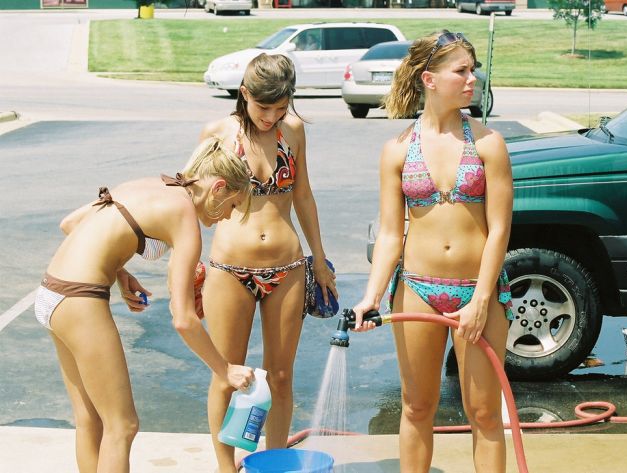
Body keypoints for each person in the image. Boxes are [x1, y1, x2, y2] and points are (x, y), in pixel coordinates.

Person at [34, 137, 256, 473]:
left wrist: (120, 274)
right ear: (219, 188)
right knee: (122, 426)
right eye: (234, 205)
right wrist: (224, 370)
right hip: (79, 300)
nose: (228, 217)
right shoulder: (185, 218)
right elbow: (183, 319)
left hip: (52, 293)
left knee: (90, 420)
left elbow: (70, 223)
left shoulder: (150, 184)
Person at [352, 32, 514, 473]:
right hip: (418, 288)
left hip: (477, 291)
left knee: (483, 413)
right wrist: (371, 296)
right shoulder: (397, 150)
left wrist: (482, 299)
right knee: (417, 407)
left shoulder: (488, 144)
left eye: (472, 69)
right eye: (461, 71)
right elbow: (390, 234)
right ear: (430, 79)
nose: (471, 78)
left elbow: (500, 229)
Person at [199, 53, 337, 472]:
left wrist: (321, 258)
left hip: (288, 266)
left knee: (280, 376)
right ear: (244, 93)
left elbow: (303, 195)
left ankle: (276, 464)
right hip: (228, 269)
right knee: (227, 373)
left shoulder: (292, 132)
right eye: (264, 107)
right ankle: (226, 468)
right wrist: (187, 257)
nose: (272, 116)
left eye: (281, 107)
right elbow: (194, 197)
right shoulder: (217, 132)